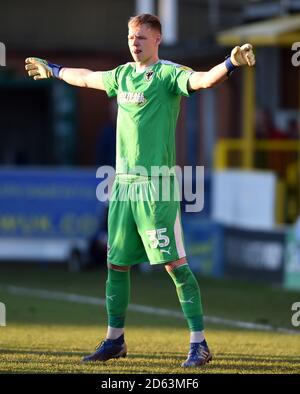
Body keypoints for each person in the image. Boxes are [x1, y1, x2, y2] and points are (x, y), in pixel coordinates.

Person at [25, 13, 255, 368]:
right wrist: (54, 70)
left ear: (158, 40)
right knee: (116, 265)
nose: (135, 42)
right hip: (123, 188)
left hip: (157, 187)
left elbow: (204, 81)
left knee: (175, 266)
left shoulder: (167, 74)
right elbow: (86, 78)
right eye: (131, 36)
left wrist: (230, 63)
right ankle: (114, 340)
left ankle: (199, 344)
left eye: (142, 37)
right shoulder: (122, 75)